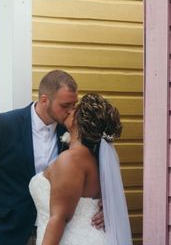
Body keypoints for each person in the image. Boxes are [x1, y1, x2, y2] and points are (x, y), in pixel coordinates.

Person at [0, 70, 81, 245]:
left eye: (74, 105)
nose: (71, 111)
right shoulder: (4, 125)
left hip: (54, 231)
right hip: (7, 230)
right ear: (44, 100)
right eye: (65, 106)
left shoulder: (72, 131)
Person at [30, 93, 131, 245]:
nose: (70, 111)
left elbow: (59, 218)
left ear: (81, 121)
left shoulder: (71, 159)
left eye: (75, 109)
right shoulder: (94, 159)